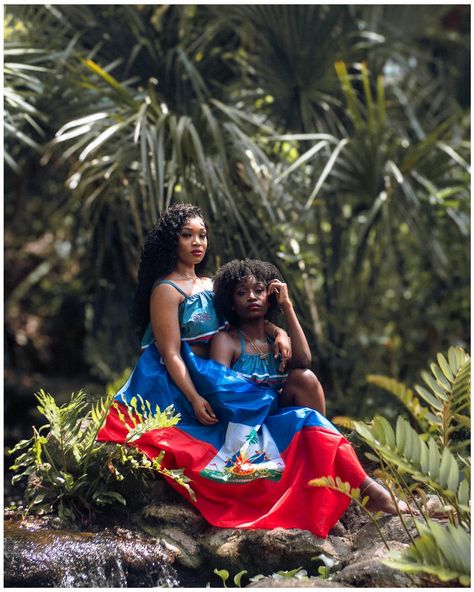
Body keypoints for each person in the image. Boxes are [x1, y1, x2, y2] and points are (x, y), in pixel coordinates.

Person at [97, 206, 408, 538]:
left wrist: (279, 333)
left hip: (230, 383)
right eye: (187, 235)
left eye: (202, 235)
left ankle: (344, 480)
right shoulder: (166, 290)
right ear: (171, 242)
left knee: (304, 399)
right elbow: (170, 352)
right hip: (194, 385)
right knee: (290, 421)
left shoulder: (211, 283)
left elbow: (244, 321)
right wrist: (195, 396)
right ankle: (358, 487)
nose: (197, 242)